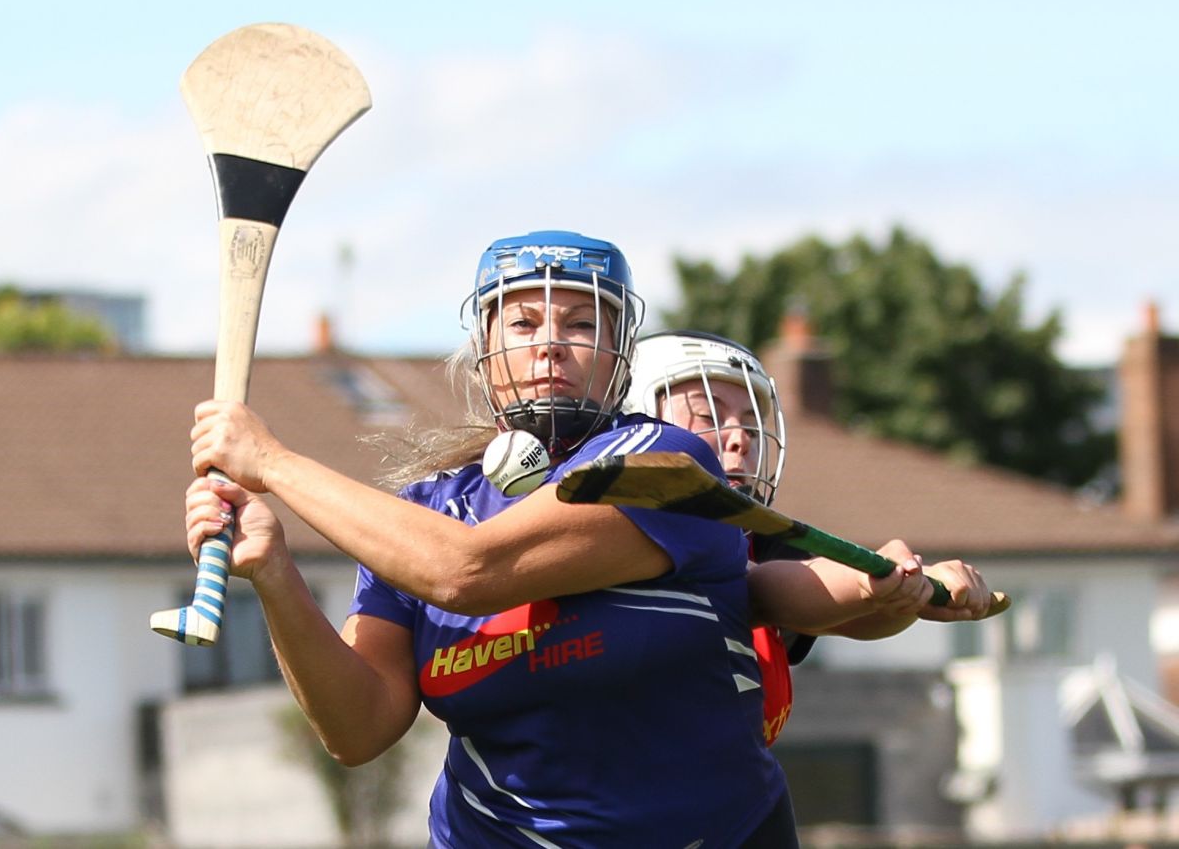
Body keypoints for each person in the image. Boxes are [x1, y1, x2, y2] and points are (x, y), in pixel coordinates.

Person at [183, 231, 984, 846]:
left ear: (618, 356)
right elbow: (357, 728)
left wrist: (273, 462)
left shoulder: (665, 462)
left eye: (580, 322)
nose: (550, 342)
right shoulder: (423, 512)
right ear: (486, 354)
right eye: (525, 321)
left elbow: (466, 572)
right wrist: (274, 570)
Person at [624, 329, 991, 745]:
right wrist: (876, 581)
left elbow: (846, 612)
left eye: (750, 422)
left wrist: (906, 586)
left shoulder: (756, 544)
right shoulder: (616, 539)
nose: (741, 438)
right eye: (709, 415)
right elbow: (767, 590)